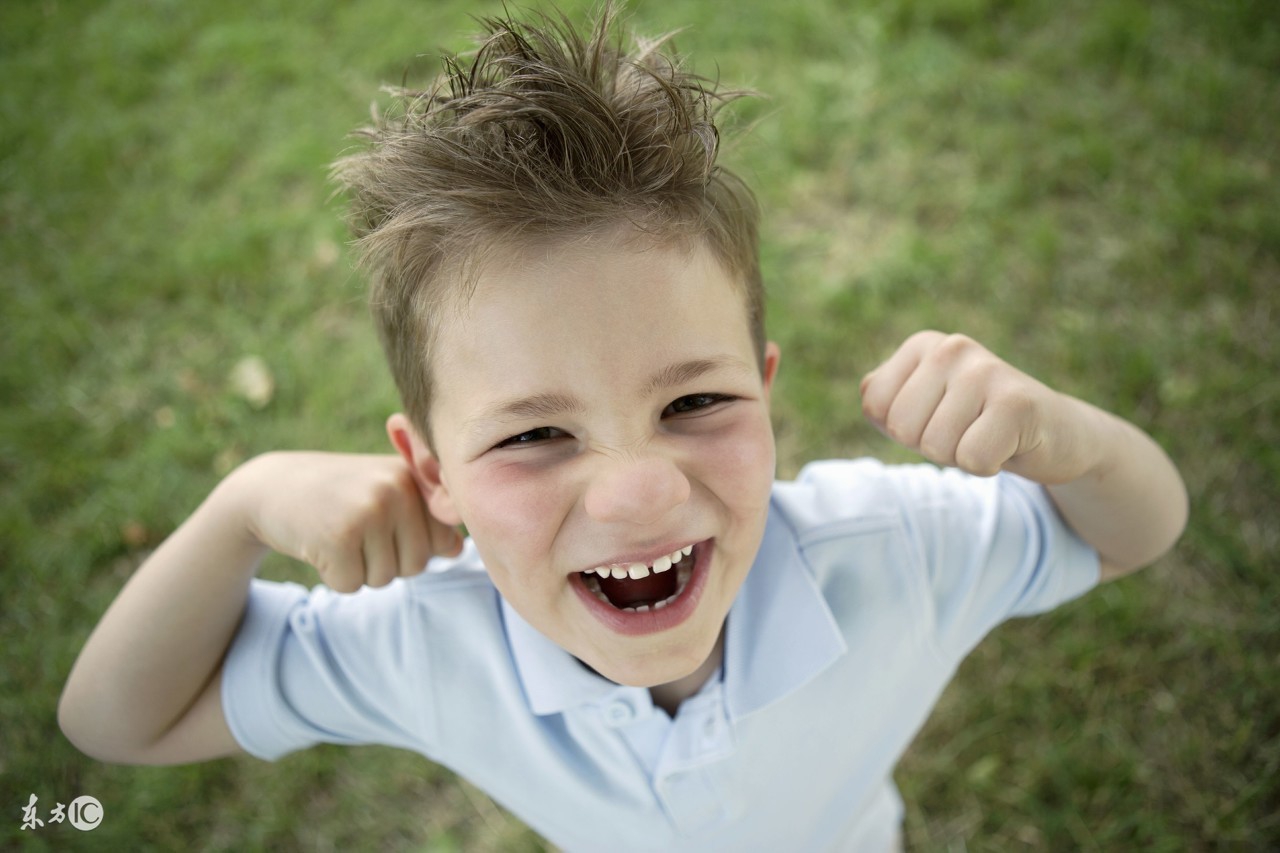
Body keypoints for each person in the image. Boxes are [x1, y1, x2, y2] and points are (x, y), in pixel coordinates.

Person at [58, 5, 1188, 850]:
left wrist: (1067, 441)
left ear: (765, 387)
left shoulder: (886, 550)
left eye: (693, 403)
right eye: (532, 436)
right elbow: (119, 722)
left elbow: (1128, 529)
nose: (638, 493)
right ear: (431, 472)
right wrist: (241, 504)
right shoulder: (427, 640)